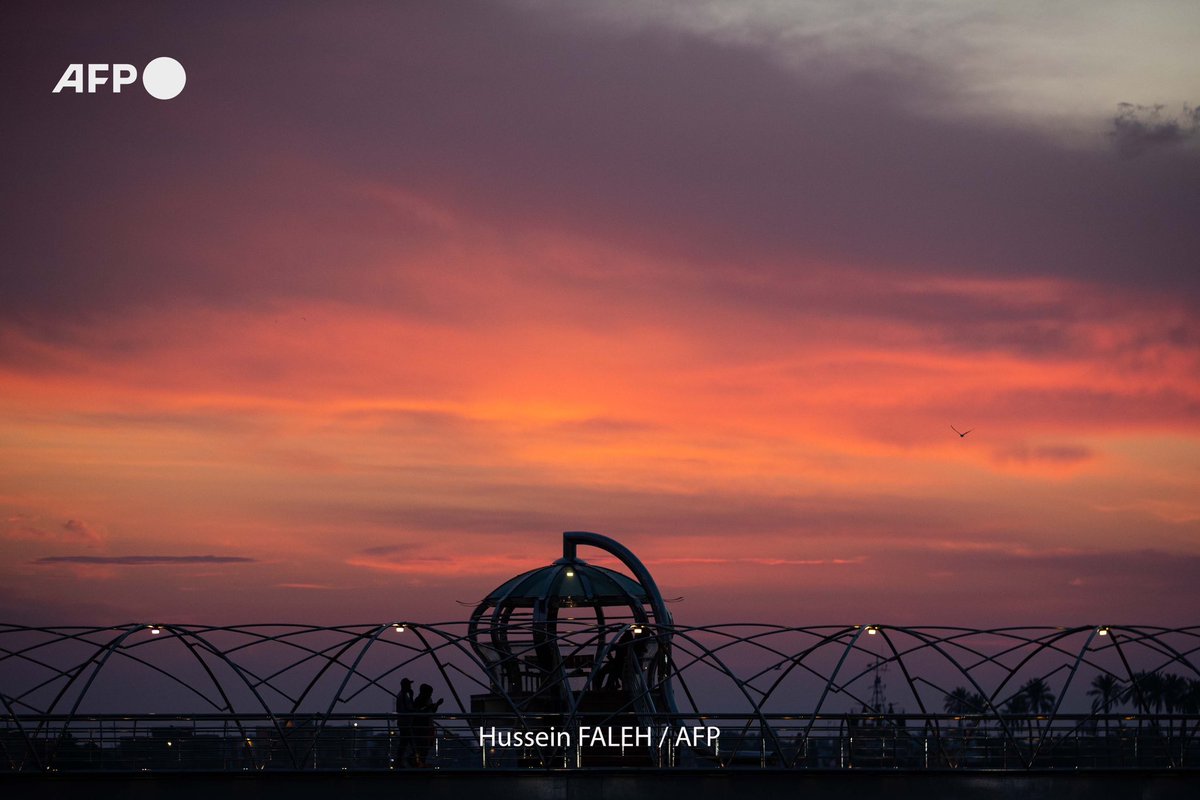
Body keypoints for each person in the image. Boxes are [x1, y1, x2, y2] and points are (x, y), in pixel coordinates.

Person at [412, 683, 443, 767]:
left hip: (428, 725)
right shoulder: (418, 700)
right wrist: (432, 706)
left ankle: (421, 762)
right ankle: (420, 762)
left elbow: (432, 710)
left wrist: (436, 705)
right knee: (422, 745)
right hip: (422, 726)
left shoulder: (428, 699)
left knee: (426, 745)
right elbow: (420, 711)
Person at [394, 678, 415, 767]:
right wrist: (411, 696)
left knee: (405, 742)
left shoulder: (402, 695)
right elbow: (408, 709)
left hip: (404, 722)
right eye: (409, 684)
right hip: (405, 722)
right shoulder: (403, 696)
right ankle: (409, 760)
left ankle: (400, 761)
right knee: (408, 742)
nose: (410, 686)